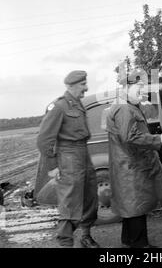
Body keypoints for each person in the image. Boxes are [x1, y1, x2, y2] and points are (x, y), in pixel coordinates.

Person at [106, 70, 162, 248]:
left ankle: (129, 240)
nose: (142, 92)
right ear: (127, 87)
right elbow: (130, 137)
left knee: (132, 206)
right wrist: (158, 139)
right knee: (136, 206)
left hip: (130, 164)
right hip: (131, 166)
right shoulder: (124, 108)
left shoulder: (127, 106)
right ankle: (140, 245)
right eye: (139, 88)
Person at [37, 70, 99, 248]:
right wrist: (53, 166)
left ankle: (86, 236)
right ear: (71, 86)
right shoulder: (58, 107)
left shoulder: (78, 104)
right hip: (68, 157)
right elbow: (44, 139)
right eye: (82, 84)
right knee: (70, 203)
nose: (86, 88)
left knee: (90, 198)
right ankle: (65, 244)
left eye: (85, 83)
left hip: (83, 154)